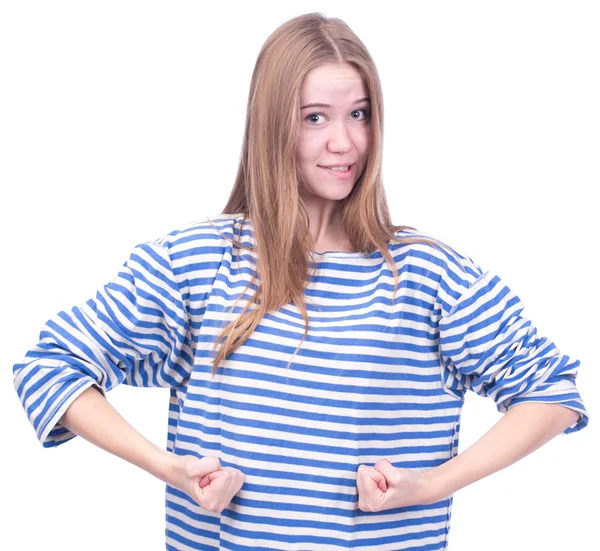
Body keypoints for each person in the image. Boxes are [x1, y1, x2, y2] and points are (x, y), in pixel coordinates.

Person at [12, 12, 589, 551]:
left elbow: (553, 391)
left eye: (359, 114)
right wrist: (169, 468)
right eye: (315, 117)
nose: (344, 142)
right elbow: (52, 365)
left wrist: (433, 485)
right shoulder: (199, 262)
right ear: (271, 125)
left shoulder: (427, 276)